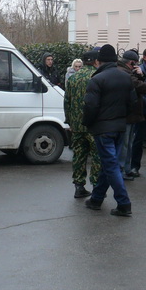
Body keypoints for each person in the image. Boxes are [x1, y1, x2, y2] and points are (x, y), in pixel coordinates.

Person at [82, 44, 138, 216]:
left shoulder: (97, 80)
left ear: (99, 61)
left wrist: (88, 123)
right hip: (120, 127)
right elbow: (133, 103)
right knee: (110, 164)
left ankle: (124, 202)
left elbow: (90, 106)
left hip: (103, 128)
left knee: (111, 165)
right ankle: (97, 199)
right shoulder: (126, 78)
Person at [63, 51, 99, 198]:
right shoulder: (97, 77)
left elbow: (67, 102)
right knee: (97, 157)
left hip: (77, 125)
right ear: (96, 61)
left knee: (79, 155)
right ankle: (96, 186)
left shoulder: (73, 78)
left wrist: (69, 121)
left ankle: (79, 186)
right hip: (94, 125)